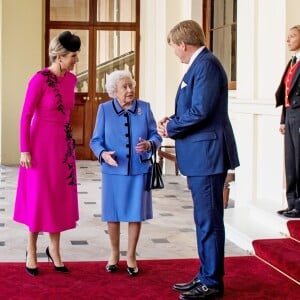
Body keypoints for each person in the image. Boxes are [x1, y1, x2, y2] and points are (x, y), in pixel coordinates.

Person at [157, 20, 240, 299]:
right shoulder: (201, 65)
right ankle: (206, 275)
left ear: (183, 44)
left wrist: (171, 128)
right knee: (204, 218)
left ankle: (212, 282)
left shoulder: (205, 65)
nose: (175, 54)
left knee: (209, 220)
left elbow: (201, 111)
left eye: (174, 49)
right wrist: (173, 119)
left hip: (208, 156)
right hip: (202, 155)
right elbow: (195, 108)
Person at [13, 31, 81, 276]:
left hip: (62, 145)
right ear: (60, 56)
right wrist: (24, 149)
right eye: (73, 55)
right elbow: (25, 115)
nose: (76, 59)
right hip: (39, 145)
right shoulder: (39, 79)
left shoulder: (72, 80)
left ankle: (54, 249)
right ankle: (31, 251)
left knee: (58, 196)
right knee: (38, 197)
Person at [90, 70, 162, 276]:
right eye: (125, 87)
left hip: (139, 170)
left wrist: (149, 144)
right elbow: (95, 141)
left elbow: (155, 135)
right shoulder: (104, 110)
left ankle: (131, 256)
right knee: (112, 214)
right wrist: (103, 154)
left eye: (131, 85)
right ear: (114, 91)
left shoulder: (144, 108)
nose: (130, 90)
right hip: (113, 170)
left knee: (134, 214)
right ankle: (114, 254)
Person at [276, 25, 300, 218]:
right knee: (290, 161)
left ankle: (299, 205)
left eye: (292, 36)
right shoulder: (292, 62)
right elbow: (286, 93)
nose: (288, 40)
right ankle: (292, 202)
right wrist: (283, 119)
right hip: (291, 115)